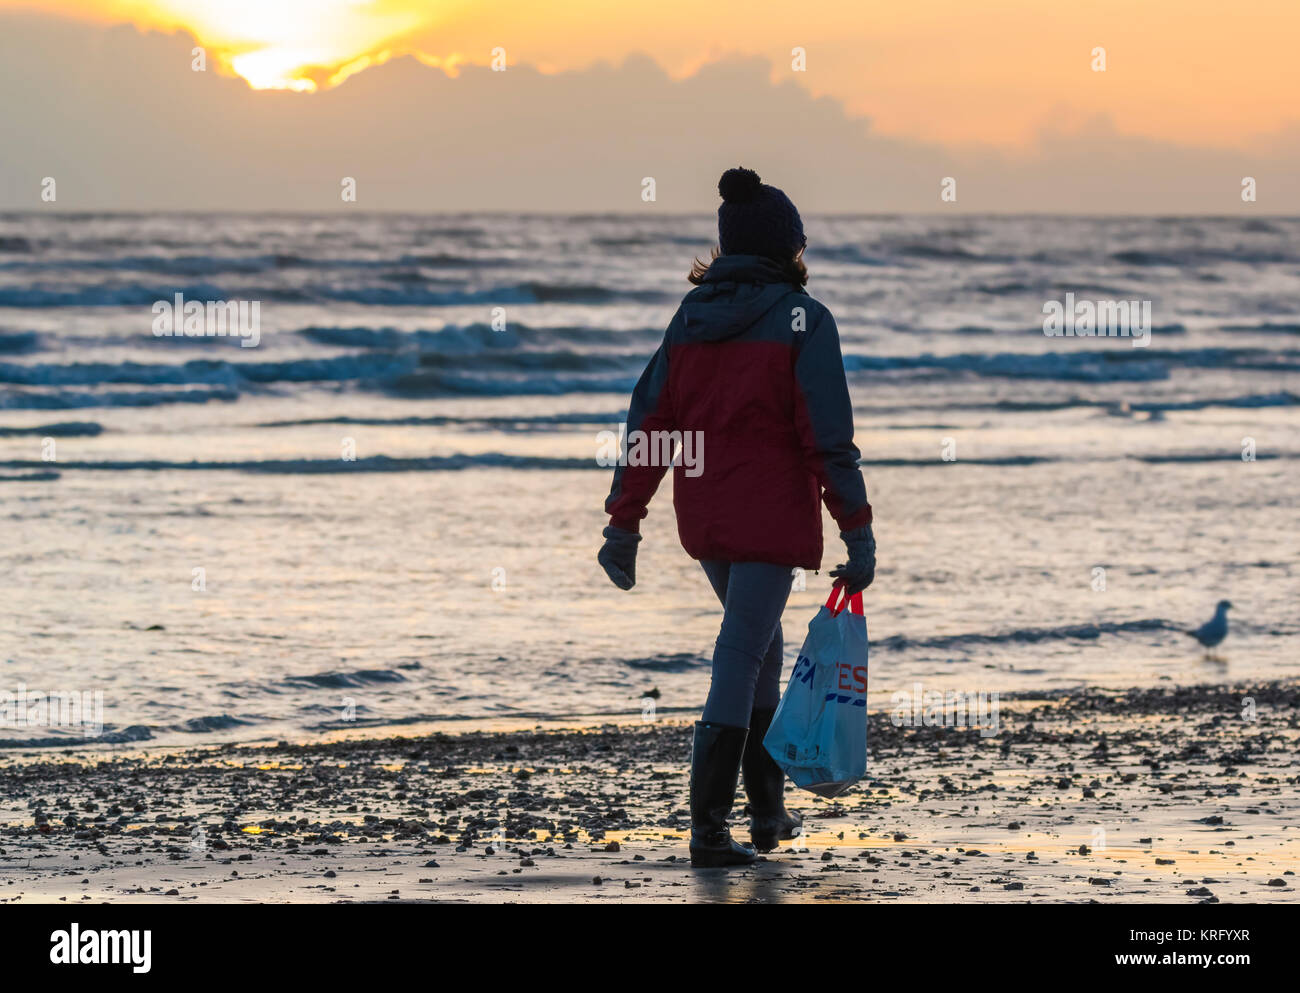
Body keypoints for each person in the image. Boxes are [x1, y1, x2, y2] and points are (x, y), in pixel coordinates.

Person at [597, 167, 876, 867]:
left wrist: (624, 520)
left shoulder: (690, 319)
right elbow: (827, 437)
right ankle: (709, 830)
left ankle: (767, 811)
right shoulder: (804, 320)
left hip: (708, 521)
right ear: (788, 248)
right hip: (769, 516)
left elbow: (649, 422)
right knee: (741, 650)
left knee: (761, 644)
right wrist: (858, 527)